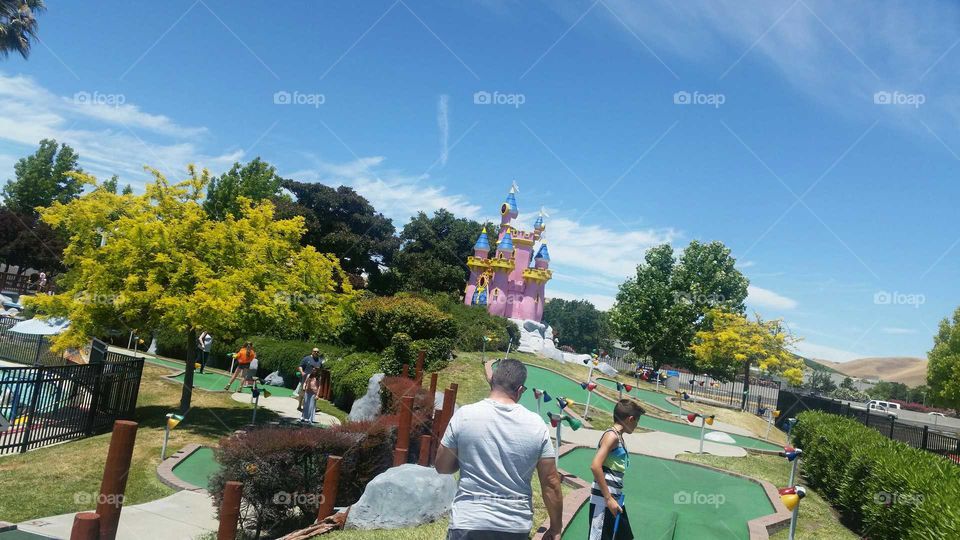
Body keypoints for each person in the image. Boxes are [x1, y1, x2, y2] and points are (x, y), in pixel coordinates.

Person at [436, 358, 564, 540]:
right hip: (514, 526)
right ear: (520, 390)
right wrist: (555, 527)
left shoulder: (464, 415)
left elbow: (442, 466)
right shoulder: (536, 424)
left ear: (492, 381)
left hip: (468, 522)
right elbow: (551, 481)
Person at [587, 399, 646, 540]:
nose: (637, 425)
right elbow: (595, 465)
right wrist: (608, 499)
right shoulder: (611, 436)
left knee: (624, 537)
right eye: (637, 421)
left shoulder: (618, 437)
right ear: (630, 419)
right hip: (604, 501)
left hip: (615, 498)